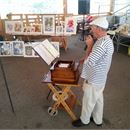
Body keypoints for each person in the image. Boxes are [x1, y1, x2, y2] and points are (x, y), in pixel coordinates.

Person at [72, 17, 114, 127]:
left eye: (93, 28)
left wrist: (89, 46)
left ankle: (84, 120)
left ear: (99, 29)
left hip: (94, 78)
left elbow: (88, 62)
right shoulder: (107, 40)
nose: (91, 30)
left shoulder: (100, 44)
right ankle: (97, 119)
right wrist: (88, 54)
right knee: (98, 99)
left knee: (88, 101)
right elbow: (95, 58)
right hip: (101, 77)